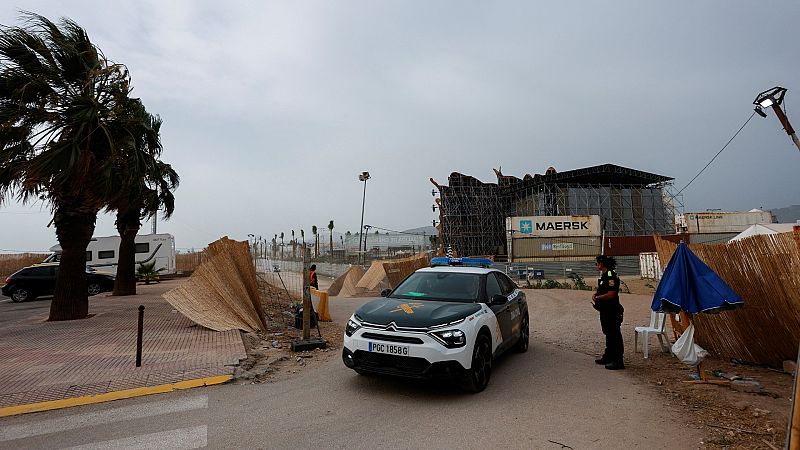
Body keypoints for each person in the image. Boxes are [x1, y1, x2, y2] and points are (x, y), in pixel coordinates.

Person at [592, 255, 625, 370]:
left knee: (614, 335)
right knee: (608, 333)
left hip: (612, 310)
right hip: (605, 310)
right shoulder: (605, 276)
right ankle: (608, 356)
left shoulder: (610, 276)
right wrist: (596, 295)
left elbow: (612, 294)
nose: (596, 265)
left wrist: (599, 298)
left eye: (597, 263)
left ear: (602, 264)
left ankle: (618, 360)